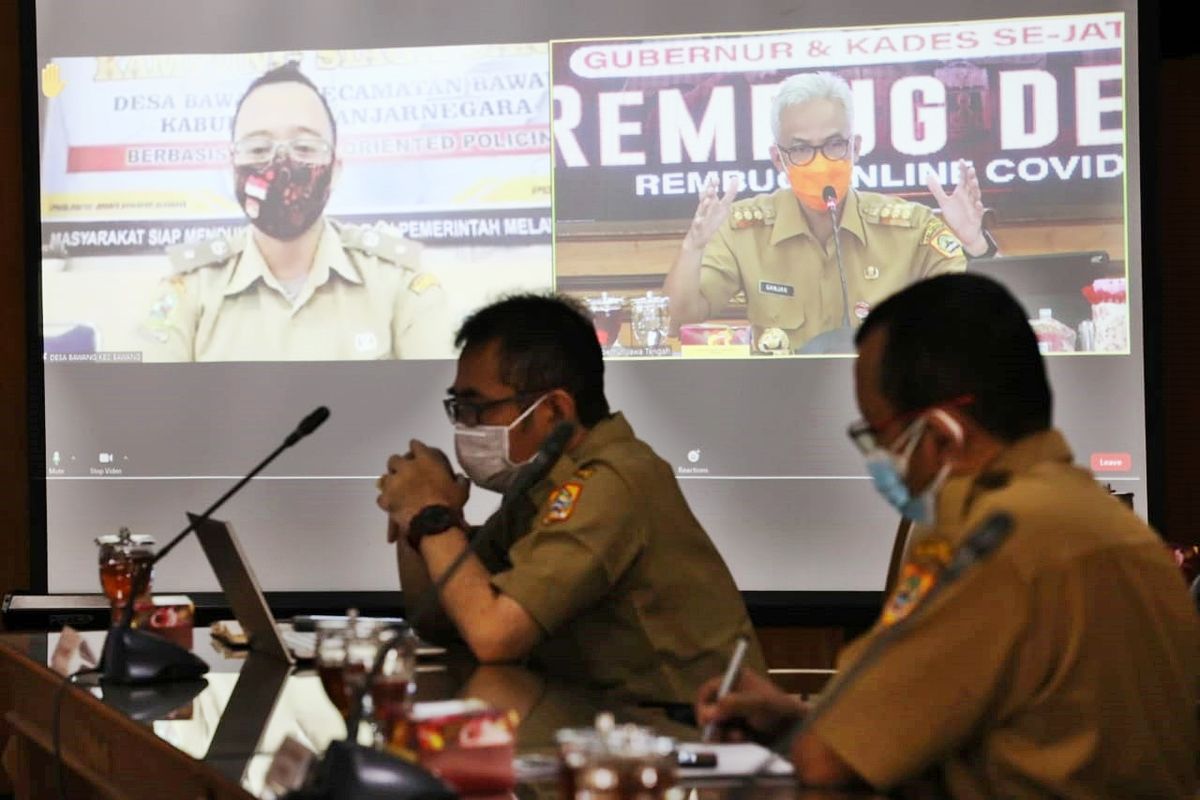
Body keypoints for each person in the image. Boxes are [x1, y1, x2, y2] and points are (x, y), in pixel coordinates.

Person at [696, 274, 1199, 796]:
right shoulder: (1115, 528)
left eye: (878, 434)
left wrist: (790, 743)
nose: (884, 461)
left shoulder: (994, 545)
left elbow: (827, 764)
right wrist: (794, 715)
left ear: (940, 436)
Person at [376, 294, 764, 703]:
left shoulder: (610, 481)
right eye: (458, 408)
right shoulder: (538, 485)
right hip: (607, 728)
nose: (465, 426)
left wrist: (431, 515)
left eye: (477, 408)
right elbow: (440, 618)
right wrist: (415, 522)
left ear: (555, 410)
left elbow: (494, 635)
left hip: (697, 738)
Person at [664, 71, 998, 354]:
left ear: (856, 148)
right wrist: (692, 248)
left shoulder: (910, 226)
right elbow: (681, 322)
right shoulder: (743, 229)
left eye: (835, 144)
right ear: (779, 159)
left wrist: (975, 244)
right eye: (801, 149)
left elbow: (986, 317)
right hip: (782, 405)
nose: (820, 160)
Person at [140, 61, 451, 362]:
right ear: (232, 167)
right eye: (259, 149)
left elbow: (445, 398)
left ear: (335, 169)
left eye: (304, 148)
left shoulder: (394, 281)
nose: (281, 166)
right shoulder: (189, 288)